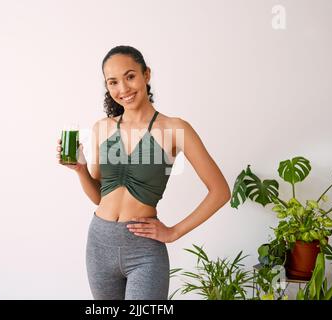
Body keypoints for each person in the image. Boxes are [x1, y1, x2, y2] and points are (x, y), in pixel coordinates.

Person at [56, 45, 231, 300]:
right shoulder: (101, 128)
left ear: (146, 75)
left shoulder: (175, 129)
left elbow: (220, 192)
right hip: (99, 244)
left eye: (130, 76)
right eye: (113, 82)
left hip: (144, 251)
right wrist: (80, 170)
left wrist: (174, 232)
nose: (123, 89)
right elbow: (99, 197)